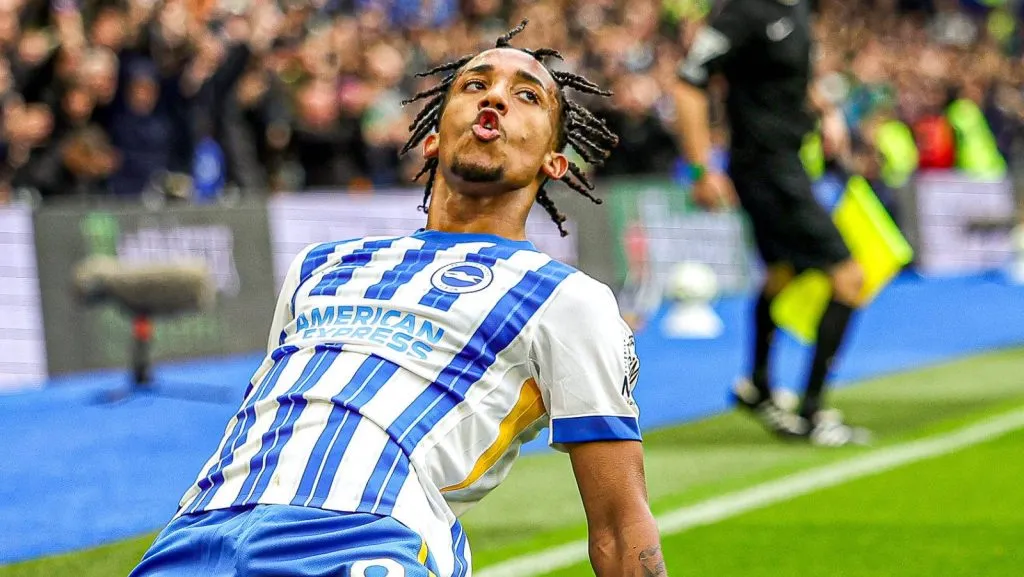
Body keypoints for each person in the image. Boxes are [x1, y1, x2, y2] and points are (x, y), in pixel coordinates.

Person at [131, 20, 667, 577]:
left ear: (554, 162)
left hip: (361, 539)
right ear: (432, 137)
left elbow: (619, 523)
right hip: (197, 533)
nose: (496, 100)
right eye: (474, 86)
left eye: (527, 95)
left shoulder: (566, 299)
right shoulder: (322, 265)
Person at [671, 0, 868, 446]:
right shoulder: (744, 12)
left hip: (788, 161)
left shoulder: (795, 8)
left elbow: (789, 76)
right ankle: (813, 411)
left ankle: (759, 384)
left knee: (781, 273)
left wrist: (826, 110)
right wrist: (701, 168)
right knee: (849, 278)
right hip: (766, 167)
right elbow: (688, 83)